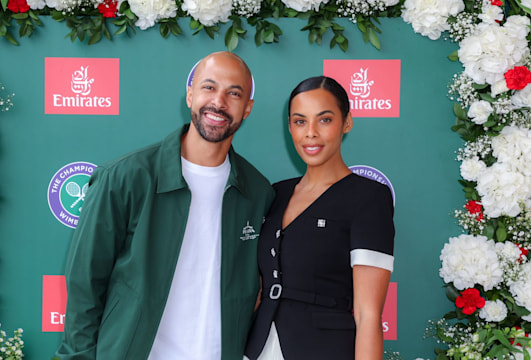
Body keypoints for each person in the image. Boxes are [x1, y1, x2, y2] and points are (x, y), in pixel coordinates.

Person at [55, 51, 275, 360]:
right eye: (209, 87)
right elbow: (84, 285)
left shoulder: (258, 192)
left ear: (247, 108)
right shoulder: (124, 178)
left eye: (234, 93)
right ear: (190, 95)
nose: (219, 102)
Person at [244, 76, 395, 360]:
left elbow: (368, 314)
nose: (310, 133)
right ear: (289, 127)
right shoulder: (276, 193)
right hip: (258, 348)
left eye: (324, 120)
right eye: (300, 121)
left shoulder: (369, 197)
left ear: (346, 122)